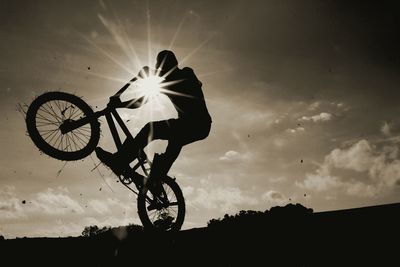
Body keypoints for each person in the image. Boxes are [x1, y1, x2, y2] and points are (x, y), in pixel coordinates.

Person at [95, 50, 212, 190]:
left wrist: (152, 72)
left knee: (153, 129)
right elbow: (141, 102)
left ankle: (122, 160)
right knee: (175, 142)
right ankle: (156, 180)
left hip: (199, 124)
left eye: (163, 67)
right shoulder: (167, 83)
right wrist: (120, 104)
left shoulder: (187, 73)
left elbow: (179, 79)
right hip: (188, 125)